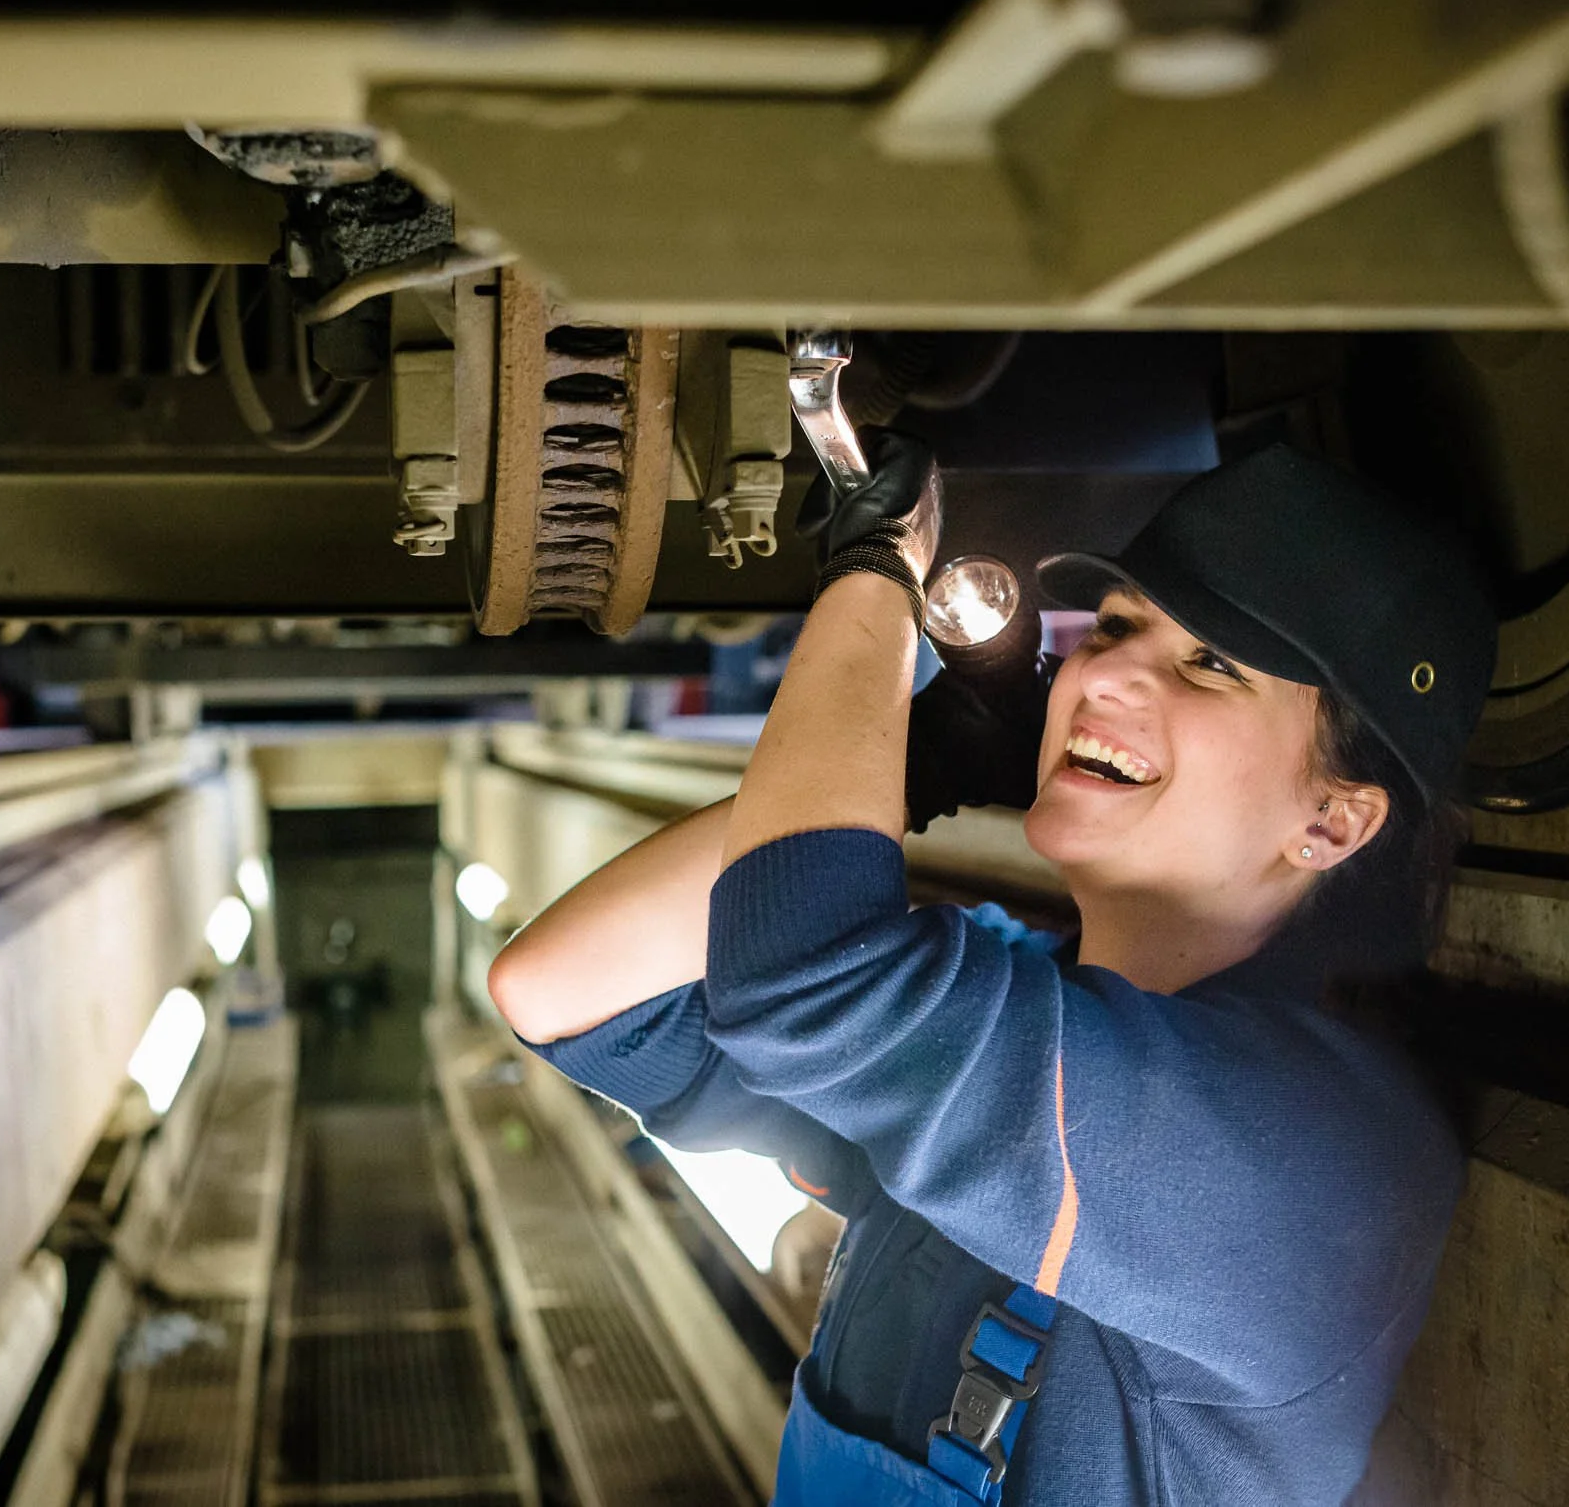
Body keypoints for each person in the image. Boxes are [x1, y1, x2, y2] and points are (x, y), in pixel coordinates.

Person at [488, 439, 1496, 1505]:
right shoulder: (1009, 998)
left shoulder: (1297, 1148)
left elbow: (802, 979)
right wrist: (927, 758)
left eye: (1211, 665)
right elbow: (565, 986)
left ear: (1331, 820)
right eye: (1116, 627)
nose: (1102, 674)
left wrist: (872, 584)